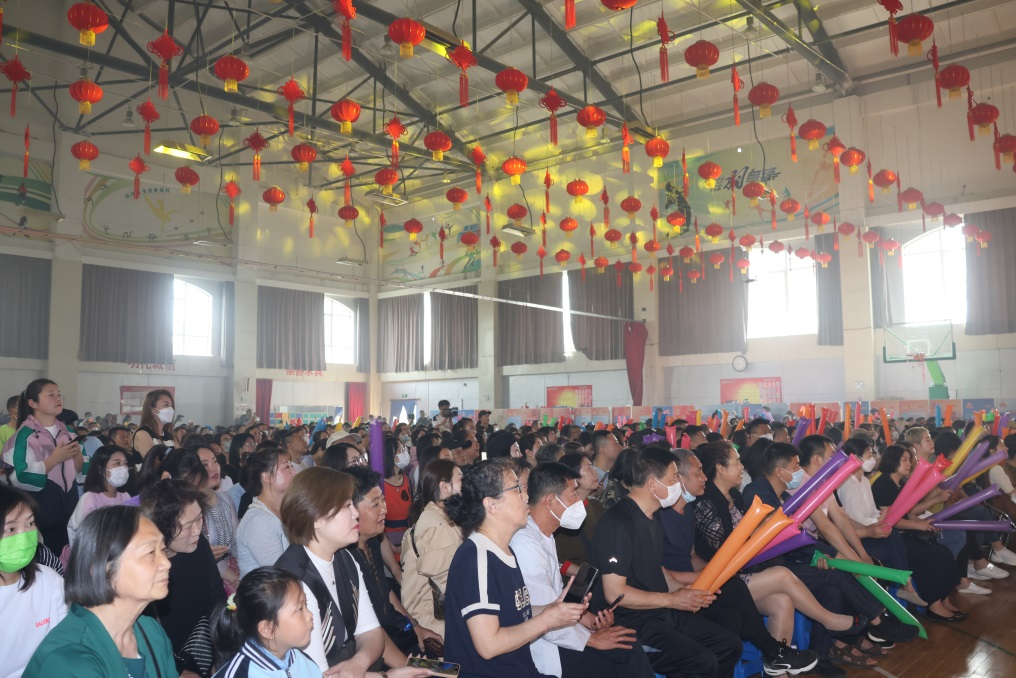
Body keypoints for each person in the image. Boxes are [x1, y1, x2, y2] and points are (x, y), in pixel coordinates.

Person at [589, 447, 742, 678]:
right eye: (673, 479)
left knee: (729, 645)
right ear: (653, 485)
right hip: (630, 623)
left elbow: (658, 572)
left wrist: (689, 594)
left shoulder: (653, 516)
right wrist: (673, 600)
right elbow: (615, 593)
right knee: (701, 661)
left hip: (659, 613)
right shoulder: (618, 523)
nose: (678, 484)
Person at [442, 459, 588, 678]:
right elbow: (489, 645)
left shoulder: (504, 550)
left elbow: (514, 612)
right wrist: (547, 620)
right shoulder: (477, 558)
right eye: (517, 489)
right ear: (491, 505)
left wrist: (554, 609)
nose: (526, 496)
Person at [510, 462, 656, 678]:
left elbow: (558, 603)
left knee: (627, 643)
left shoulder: (545, 535)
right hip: (545, 643)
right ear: (550, 501)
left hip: (563, 631)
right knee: (620, 656)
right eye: (573, 495)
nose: (579, 502)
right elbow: (543, 617)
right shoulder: (525, 543)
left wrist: (593, 622)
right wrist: (591, 639)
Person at [276, 467, 425, 677]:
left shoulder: (345, 558)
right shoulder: (295, 581)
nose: (355, 514)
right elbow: (319, 674)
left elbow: (371, 631)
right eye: (347, 506)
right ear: (316, 518)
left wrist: (359, 662)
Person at [23, 505, 177, 678]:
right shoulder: (68, 660)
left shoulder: (151, 632)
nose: (166, 563)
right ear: (103, 568)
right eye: (150, 552)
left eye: (162, 549)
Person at [346, 466, 442, 660]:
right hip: (372, 648)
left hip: (396, 631)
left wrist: (415, 626)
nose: (385, 509)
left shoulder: (372, 541)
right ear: (350, 510)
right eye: (375, 504)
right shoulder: (345, 557)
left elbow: (384, 590)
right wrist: (407, 667)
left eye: (383, 500)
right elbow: (368, 630)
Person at [869, 446, 968, 620]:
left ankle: (943, 599)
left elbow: (908, 513)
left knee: (944, 553)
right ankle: (934, 604)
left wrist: (923, 523)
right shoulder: (883, 484)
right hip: (893, 538)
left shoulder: (900, 483)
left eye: (909, 459)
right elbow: (891, 520)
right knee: (933, 557)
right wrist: (918, 525)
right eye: (904, 460)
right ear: (892, 461)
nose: (909, 463)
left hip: (904, 533)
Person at [141, 479, 226, 678]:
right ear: (161, 528)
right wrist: (178, 670)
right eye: (187, 526)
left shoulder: (199, 546)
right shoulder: (145, 569)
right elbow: (144, 634)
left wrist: (220, 651)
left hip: (204, 648)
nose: (197, 530)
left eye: (199, 519)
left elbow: (217, 599)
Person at [3, 379, 86, 555]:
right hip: (40, 514)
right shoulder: (23, 437)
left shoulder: (68, 433)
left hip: (70, 509)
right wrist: (54, 459)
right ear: (33, 403)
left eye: (59, 394)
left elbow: (81, 472)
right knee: (45, 561)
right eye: (50, 395)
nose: (58, 398)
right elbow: (18, 478)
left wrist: (77, 456)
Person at [0, 485, 68, 677]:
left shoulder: (49, 581)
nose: (24, 536)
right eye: (11, 528)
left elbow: (66, 647)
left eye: (30, 524)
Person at [209, 567, 320, 678]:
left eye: (306, 604)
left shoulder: (305, 662)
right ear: (268, 629)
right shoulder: (238, 674)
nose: (310, 615)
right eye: (300, 609)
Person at [402, 459, 463, 637]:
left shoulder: (436, 518)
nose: (465, 486)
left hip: (429, 621)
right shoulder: (439, 528)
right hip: (436, 626)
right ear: (444, 487)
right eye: (461, 479)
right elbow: (451, 584)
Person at [237, 449, 297, 577]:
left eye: (291, 466)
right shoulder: (258, 521)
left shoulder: (288, 509)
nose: (294, 472)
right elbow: (281, 573)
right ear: (267, 477)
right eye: (287, 467)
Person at [553, 452, 607, 577]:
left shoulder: (596, 506)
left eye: (593, 467)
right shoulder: (562, 514)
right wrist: (589, 576)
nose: (595, 473)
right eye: (589, 469)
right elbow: (557, 560)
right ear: (573, 477)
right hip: (575, 583)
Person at [67, 445, 131, 547]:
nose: (123, 468)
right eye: (117, 463)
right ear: (100, 470)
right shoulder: (90, 499)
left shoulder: (125, 496)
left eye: (125, 463)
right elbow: (84, 538)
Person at [197, 444, 240, 589]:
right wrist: (233, 577)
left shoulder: (225, 499)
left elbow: (237, 541)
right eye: (205, 464)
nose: (213, 468)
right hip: (208, 576)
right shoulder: (191, 507)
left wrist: (243, 569)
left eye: (215, 461)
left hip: (234, 570)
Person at [383, 436, 413, 552]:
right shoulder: (379, 484)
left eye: (404, 448)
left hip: (407, 537)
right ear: (389, 455)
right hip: (387, 540)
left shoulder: (407, 479)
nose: (405, 452)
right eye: (401, 449)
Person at [131, 389, 177, 463]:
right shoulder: (143, 434)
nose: (171, 409)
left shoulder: (169, 436)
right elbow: (153, 464)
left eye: (171, 405)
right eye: (166, 405)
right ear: (153, 410)